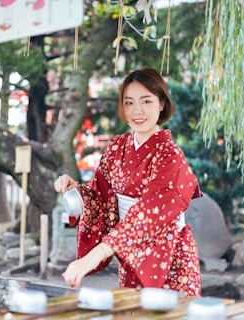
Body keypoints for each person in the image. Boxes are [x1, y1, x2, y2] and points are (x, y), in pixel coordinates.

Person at [54, 68, 202, 297]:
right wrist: (77, 191)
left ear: (162, 103)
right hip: (131, 254)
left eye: (146, 101)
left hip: (169, 257)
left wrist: (94, 256)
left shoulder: (170, 155)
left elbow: (148, 214)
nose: (137, 111)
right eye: (129, 103)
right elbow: (100, 197)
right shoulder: (116, 147)